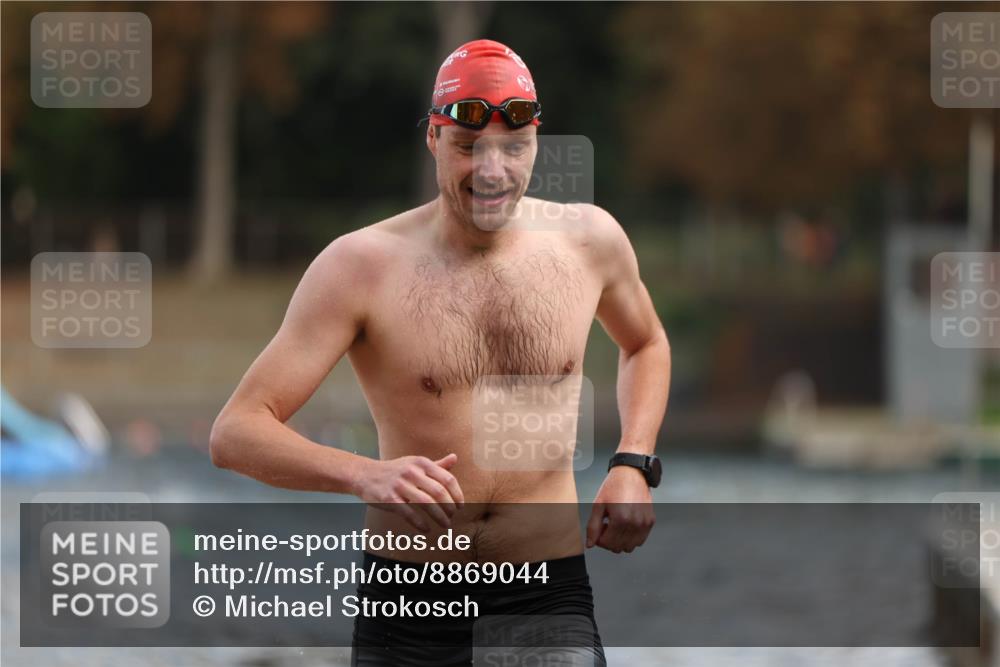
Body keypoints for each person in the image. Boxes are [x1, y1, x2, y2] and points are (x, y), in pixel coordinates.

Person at [210, 38, 671, 666]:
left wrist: (633, 462)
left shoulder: (590, 242)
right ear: (432, 138)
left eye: (515, 147)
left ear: (537, 139)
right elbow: (235, 431)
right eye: (467, 148)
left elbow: (644, 342)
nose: (492, 171)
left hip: (544, 596)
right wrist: (365, 475)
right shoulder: (360, 266)